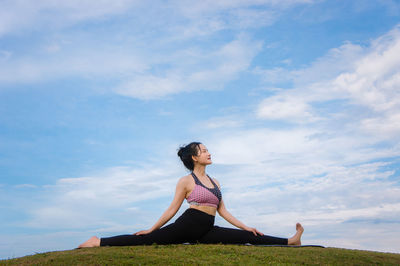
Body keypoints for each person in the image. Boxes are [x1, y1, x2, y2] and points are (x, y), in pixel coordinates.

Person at [78, 142, 304, 248]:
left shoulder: (215, 182)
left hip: (206, 228)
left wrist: (245, 226)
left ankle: (290, 241)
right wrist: (152, 228)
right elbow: (172, 209)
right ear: (194, 158)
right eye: (204, 151)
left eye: (207, 150)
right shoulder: (186, 181)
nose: (208, 152)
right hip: (188, 225)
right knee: (148, 240)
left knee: (246, 236)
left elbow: (223, 211)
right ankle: (98, 241)